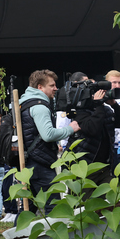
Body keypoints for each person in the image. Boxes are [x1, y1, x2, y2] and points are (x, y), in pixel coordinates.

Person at [21, 70, 80, 216]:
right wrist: (70, 129)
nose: (55, 88)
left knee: (32, 206)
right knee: (53, 205)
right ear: (40, 87)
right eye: (52, 85)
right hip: (40, 163)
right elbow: (47, 135)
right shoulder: (40, 106)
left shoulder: (26, 102)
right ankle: (52, 238)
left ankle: (19, 237)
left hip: (32, 161)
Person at [65, 71, 120, 188]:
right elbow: (92, 129)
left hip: (105, 167)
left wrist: (114, 104)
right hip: (86, 168)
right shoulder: (80, 113)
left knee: (112, 199)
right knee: (85, 203)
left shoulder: (105, 110)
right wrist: (98, 105)